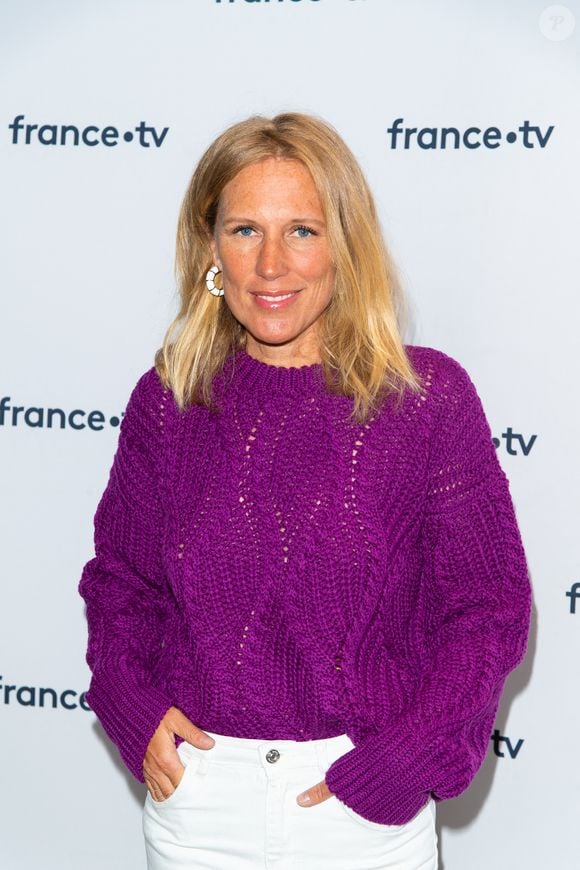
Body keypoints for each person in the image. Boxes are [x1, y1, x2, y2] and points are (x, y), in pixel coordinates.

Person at [78, 112, 532, 870]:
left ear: (345, 247)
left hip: (360, 814)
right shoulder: (169, 399)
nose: (270, 266)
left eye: (303, 231)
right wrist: (131, 705)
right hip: (200, 809)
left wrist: (404, 762)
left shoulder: (427, 400)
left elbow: (489, 608)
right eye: (246, 231)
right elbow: (121, 584)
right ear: (210, 247)